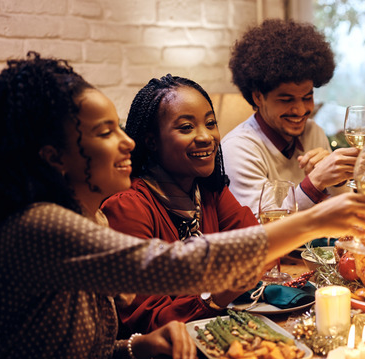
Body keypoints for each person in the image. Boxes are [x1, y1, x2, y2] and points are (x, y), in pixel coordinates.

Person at [0, 53, 365, 359]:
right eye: (106, 133)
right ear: (54, 157)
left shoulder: (89, 219)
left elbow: (71, 356)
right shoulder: (40, 226)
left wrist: (137, 348)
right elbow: (174, 264)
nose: (127, 141)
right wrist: (310, 219)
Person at [102, 75, 259, 334]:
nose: (206, 136)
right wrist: (218, 294)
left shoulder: (209, 190)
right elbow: (148, 321)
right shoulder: (128, 207)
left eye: (211, 123)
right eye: (186, 127)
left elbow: (255, 245)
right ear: (151, 141)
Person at [221, 19, 358, 214]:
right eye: (286, 100)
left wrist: (336, 179)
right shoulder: (239, 148)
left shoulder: (313, 132)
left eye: (307, 97)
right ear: (258, 97)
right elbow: (259, 230)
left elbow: (344, 211)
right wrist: (315, 182)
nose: (300, 110)